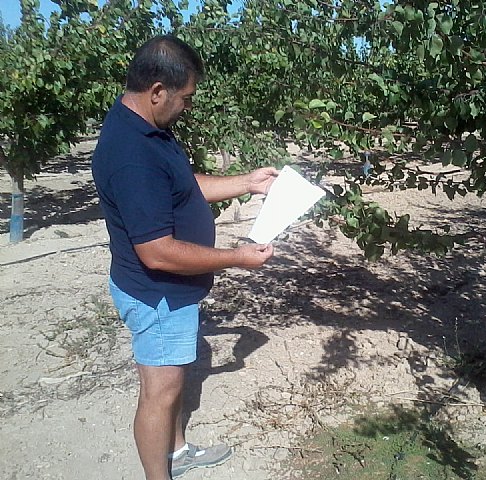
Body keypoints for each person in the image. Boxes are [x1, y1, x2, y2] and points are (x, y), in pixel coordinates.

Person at [91, 35, 277, 480]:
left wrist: (245, 182)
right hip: (158, 294)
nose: (188, 106)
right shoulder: (131, 156)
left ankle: (176, 452)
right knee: (161, 390)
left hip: (167, 293)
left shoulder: (147, 130)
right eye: (186, 97)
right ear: (158, 90)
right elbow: (157, 252)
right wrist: (236, 257)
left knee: (171, 386)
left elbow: (179, 184)